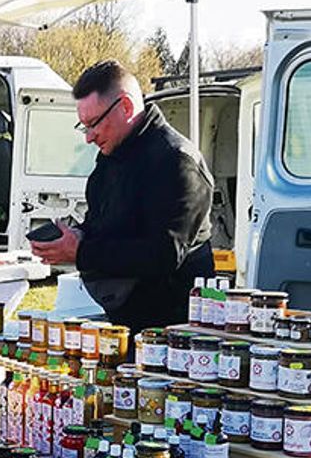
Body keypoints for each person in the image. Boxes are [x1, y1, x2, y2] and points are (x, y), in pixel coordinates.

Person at [30, 59, 215, 333]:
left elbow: (162, 254)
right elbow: (102, 222)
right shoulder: (112, 155)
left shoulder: (176, 160)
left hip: (174, 330)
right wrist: (76, 236)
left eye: (94, 124)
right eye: (83, 126)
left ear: (126, 107)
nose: (89, 138)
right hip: (123, 318)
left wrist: (81, 251)